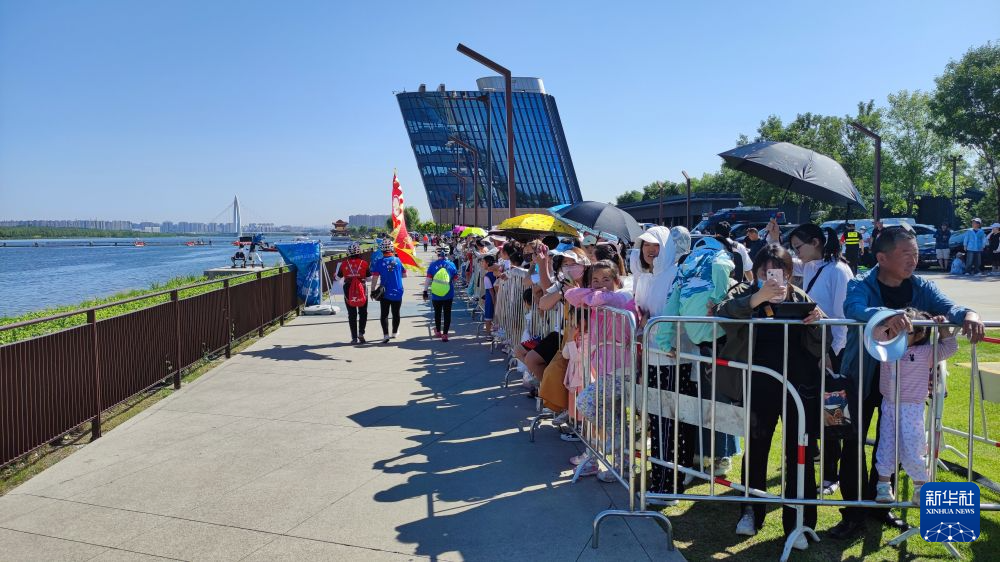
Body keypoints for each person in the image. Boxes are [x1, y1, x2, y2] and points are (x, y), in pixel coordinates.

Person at [828, 225, 985, 540]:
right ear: (882, 257)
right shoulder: (861, 283)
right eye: (906, 254)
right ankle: (853, 514)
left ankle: (880, 506)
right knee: (853, 444)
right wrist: (886, 314)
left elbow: (948, 306)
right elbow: (854, 308)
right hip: (862, 376)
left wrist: (969, 313)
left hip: (905, 383)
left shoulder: (921, 285)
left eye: (915, 253)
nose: (913, 260)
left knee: (891, 442)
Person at [714, 243, 826, 550]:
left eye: (782, 272)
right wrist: (756, 298)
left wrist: (817, 320)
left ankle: (800, 522)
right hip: (758, 383)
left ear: (790, 272)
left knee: (800, 453)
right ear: (757, 271)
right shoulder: (744, 292)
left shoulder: (799, 296)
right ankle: (750, 512)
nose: (774, 278)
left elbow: (823, 336)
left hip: (798, 386)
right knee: (757, 447)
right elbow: (723, 315)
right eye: (766, 272)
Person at [656, 233, 739, 479]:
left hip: (702, 339)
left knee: (713, 398)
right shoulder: (719, 257)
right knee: (719, 399)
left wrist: (664, 340)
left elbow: (671, 305)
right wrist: (717, 299)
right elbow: (722, 266)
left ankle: (715, 454)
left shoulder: (685, 267)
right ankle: (719, 455)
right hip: (719, 335)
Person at [789, 224, 854, 495]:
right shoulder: (812, 266)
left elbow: (843, 317)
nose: (797, 253)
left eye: (799, 247)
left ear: (816, 242)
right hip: (814, 351)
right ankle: (819, 468)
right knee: (815, 412)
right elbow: (787, 263)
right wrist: (772, 239)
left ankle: (831, 475)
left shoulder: (838, 271)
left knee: (832, 415)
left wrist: (831, 353)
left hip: (833, 353)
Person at [872, 308, 958, 504]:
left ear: (918, 335)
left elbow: (950, 348)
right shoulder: (884, 347)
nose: (898, 335)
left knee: (913, 446)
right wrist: (889, 321)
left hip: (912, 407)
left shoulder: (924, 353)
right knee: (886, 445)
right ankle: (883, 486)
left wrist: (942, 328)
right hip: (889, 405)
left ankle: (920, 487)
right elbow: (874, 333)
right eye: (896, 330)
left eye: (906, 332)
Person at [565, 259, 638, 482]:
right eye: (595, 280)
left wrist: (593, 293)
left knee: (586, 402)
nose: (600, 284)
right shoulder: (598, 301)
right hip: (605, 369)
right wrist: (591, 291)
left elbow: (600, 297)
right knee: (616, 416)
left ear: (617, 281)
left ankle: (614, 440)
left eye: (606, 279)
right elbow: (570, 295)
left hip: (622, 369)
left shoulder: (622, 298)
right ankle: (624, 467)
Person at [370, 238, 405, 343]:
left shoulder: (379, 262)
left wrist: (372, 290)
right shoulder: (398, 260)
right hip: (398, 290)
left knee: (384, 314)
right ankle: (394, 333)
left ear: (382, 250)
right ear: (392, 248)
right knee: (396, 313)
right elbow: (404, 275)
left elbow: (375, 278)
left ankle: (386, 335)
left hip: (384, 292)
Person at [338, 242, 370, 344]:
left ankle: (354, 337)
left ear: (348, 253)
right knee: (363, 312)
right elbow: (369, 279)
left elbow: (338, 277)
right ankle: (361, 332)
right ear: (359, 252)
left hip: (348, 289)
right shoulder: (364, 263)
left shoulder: (344, 264)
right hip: (362, 288)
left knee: (352, 314)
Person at [424, 246, 458, 341]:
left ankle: (438, 331)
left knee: (437, 312)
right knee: (447, 313)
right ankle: (445, 334)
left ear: (437, 253)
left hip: (436, 293)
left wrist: (425, 291)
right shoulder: (452, 264)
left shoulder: (433, 265)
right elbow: (455, 279)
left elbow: (428, 280)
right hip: (448, 293)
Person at [481, 254, 498, 335]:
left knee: (488, 318)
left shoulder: (487, 276)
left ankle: (488, 334)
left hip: (490, 299)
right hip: (497, 297)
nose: (482, 264)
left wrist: (494, 301)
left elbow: (491, 290)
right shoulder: (497, 274)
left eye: (483, 262)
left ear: (487, 263)